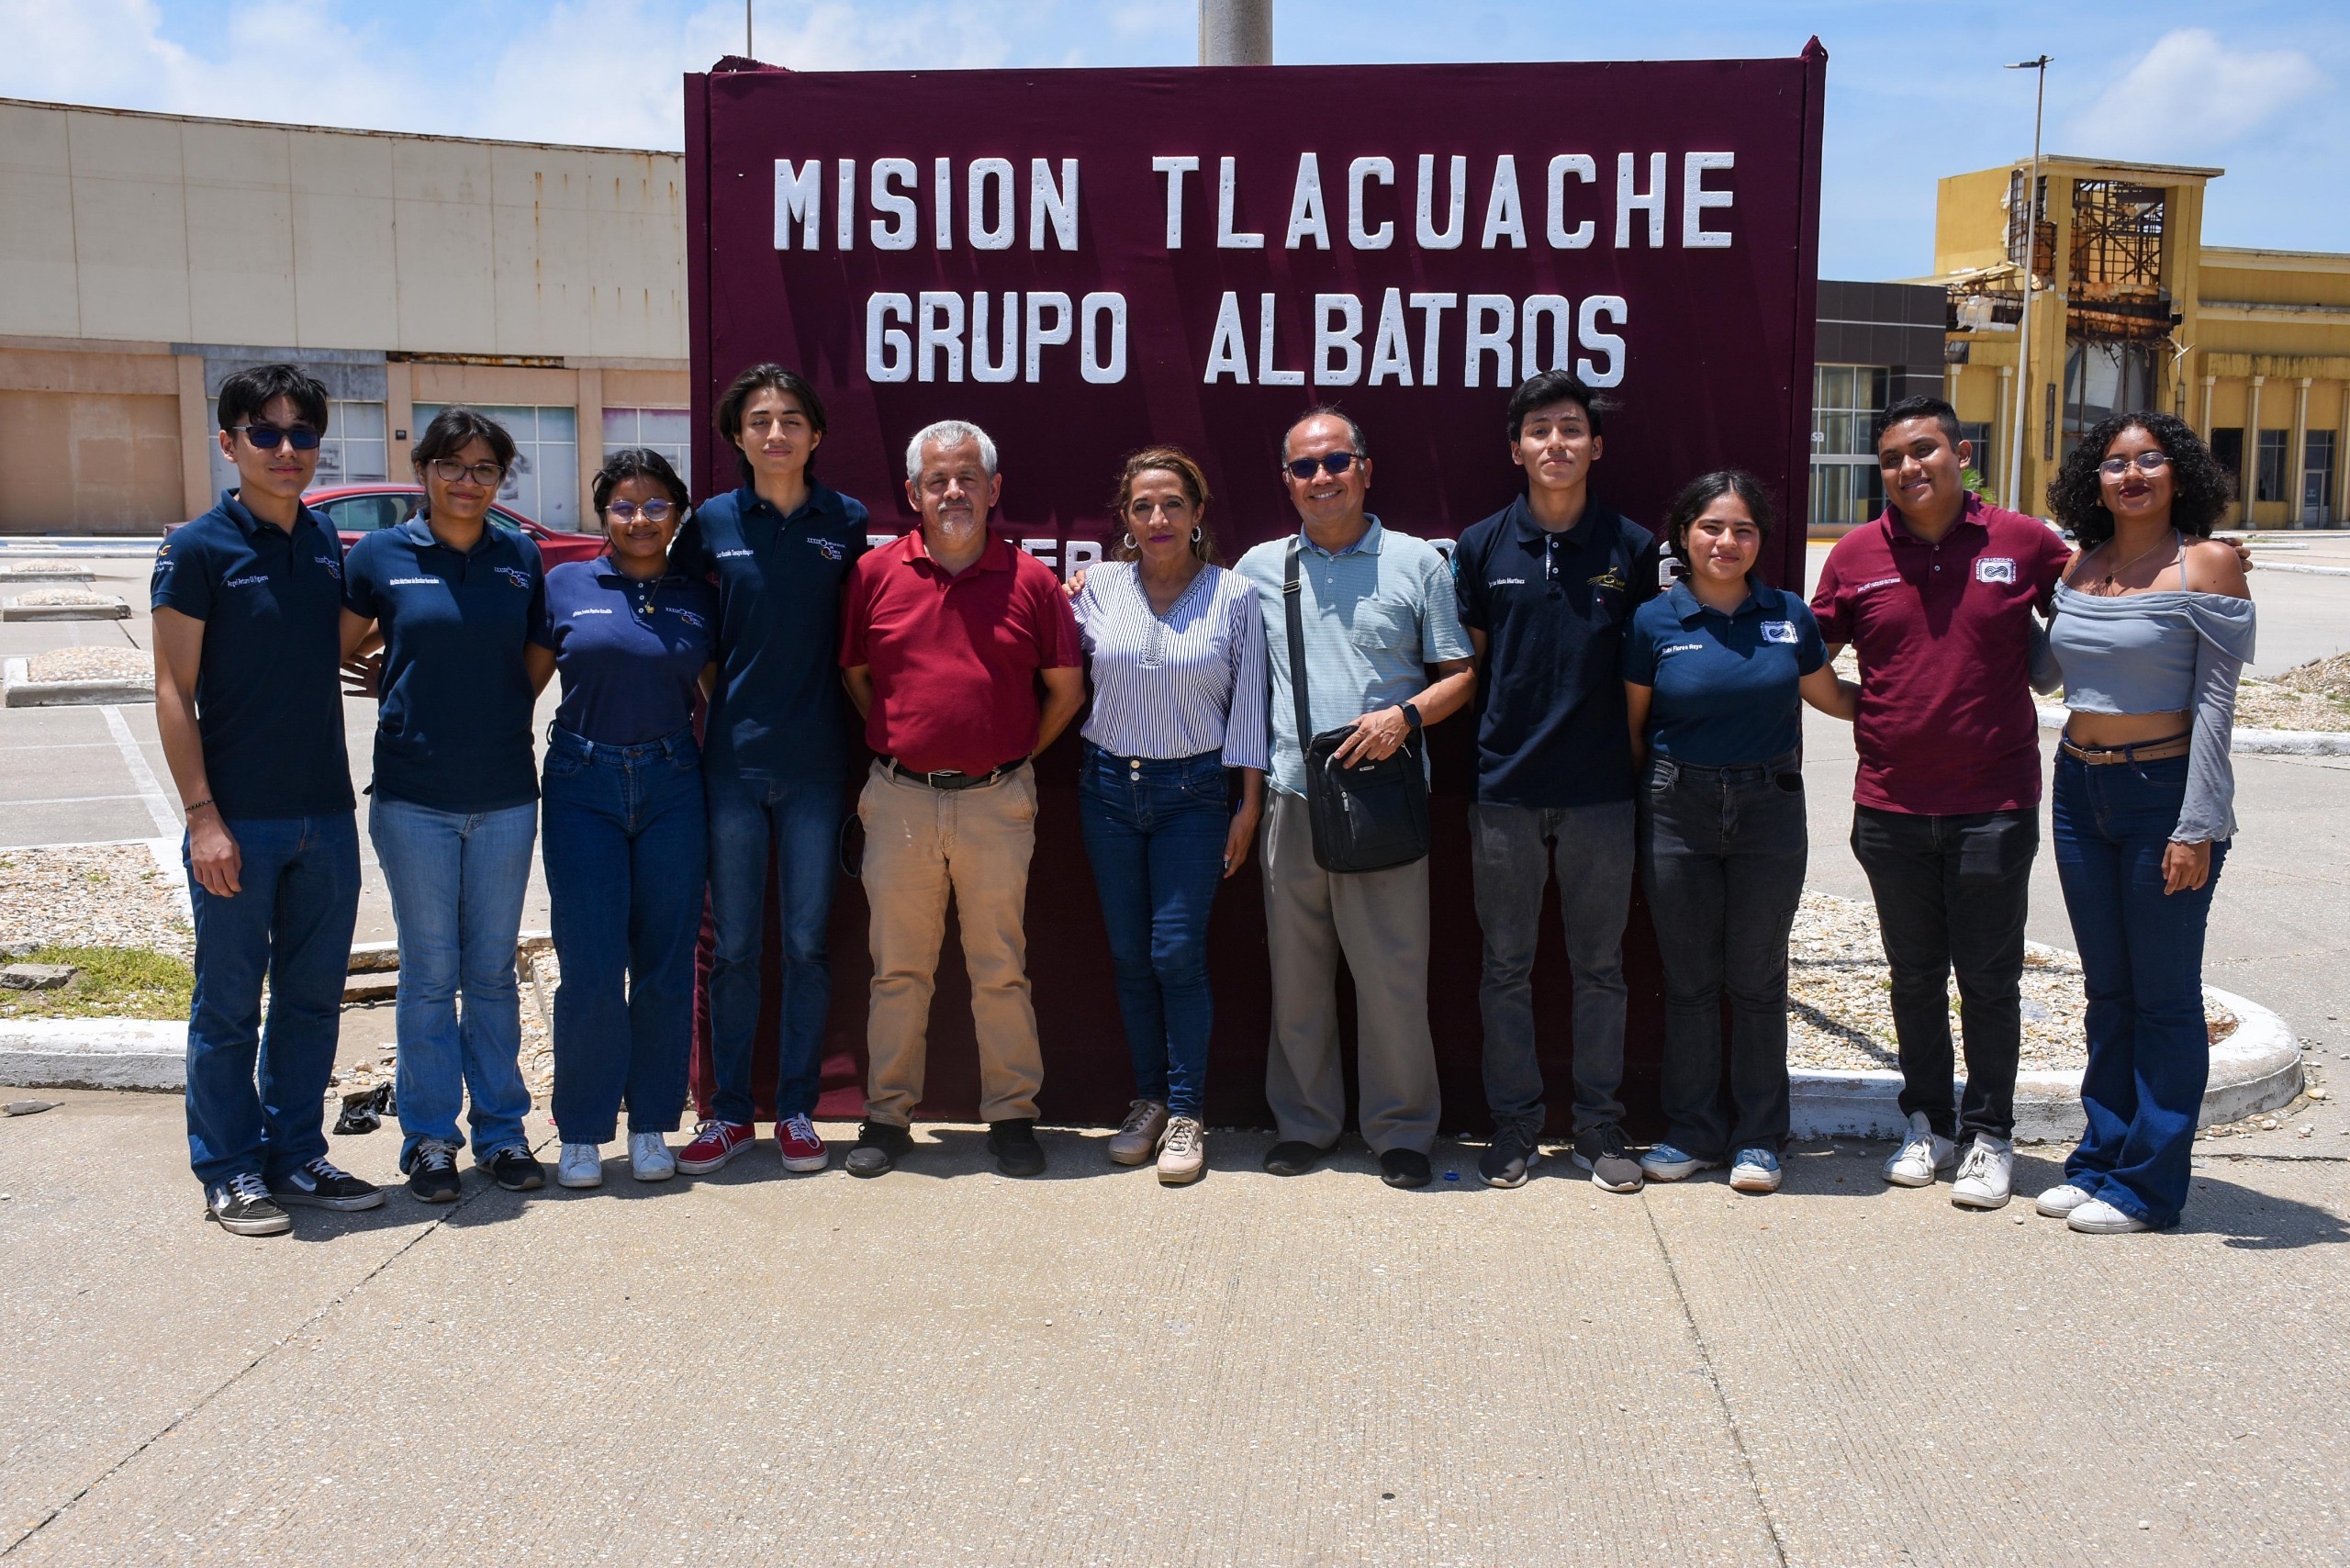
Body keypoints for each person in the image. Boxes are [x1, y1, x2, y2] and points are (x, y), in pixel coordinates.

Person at [1809, 395, 2073, 1210]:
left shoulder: (2022, 542)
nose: (1907, 468)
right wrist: (1867, 711)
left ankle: (1991, 1135)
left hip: (1993, 803)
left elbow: (2098, 597)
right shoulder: (1855, 555)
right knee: (1913, 977)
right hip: (1889, 807)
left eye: (1924, 451)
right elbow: (1809, 658)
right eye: (1891, 458)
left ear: (1961, 453)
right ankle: (1927, 1123)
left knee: (1989, 979)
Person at [151, 364, 380, 1236]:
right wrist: (202, 816)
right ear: (229, 443)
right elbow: (173, 688)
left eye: (303, 435)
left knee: (314, 999)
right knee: (228, 1004)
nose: (287, 451)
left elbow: (329, 643)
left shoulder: (325, 542)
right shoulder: (199, 548)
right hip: (238, 818)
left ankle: (296, 1156)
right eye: (266, 434)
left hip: (325, 813)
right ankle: (229, 1170)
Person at [1234, 406, 1476, 1191]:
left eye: (1336, 462)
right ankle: (1305, 1124)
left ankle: (1401, 1132)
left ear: (1365, 469)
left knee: (1393, 977)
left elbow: (1460, 674)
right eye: (1304, 467)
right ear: (1286, 482)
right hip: (1292, 798)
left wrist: (1406, 717)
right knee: (1296, 978)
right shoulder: (1258, 570)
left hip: (1383, 801)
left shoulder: (1417, 565)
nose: (1321, 478)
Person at [839, 420, 1085, 1178]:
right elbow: (857, 678)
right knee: (897, 970)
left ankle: (1012, 1116)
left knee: (999, 965)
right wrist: (911, 743)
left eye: (968, 478)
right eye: (938, 480)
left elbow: (1066, 691)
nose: (954, 492)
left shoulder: (1033, 582)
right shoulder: (874, 574)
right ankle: (886, 1118)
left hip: (995, 803)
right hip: (900, 800)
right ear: (913, 493)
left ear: (994, 489)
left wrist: (1007, 759)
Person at [2034, 414, 2252, 1234]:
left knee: (2163, 999)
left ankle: (2148, 1187)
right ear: (2094, 479)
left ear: (2179, 473)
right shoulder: (2083, 568)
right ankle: (2100, 1160)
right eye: (2116, 463)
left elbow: (2217, 706)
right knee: (2109, 992)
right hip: (2079, 792)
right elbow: (2049, 673)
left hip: (2165, 794)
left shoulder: (2210, 564)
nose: (2133, 475)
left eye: (2150, 460)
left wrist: (2198, 823)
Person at [1450, 370, 1665, 1193]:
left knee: (1600, 968)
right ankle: (1513, 1128)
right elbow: (1465, 666)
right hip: (1503, 788)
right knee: (1505, 966)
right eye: (1539, 431)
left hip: (1601, 793)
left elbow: (1645, 673)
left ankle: (1599, 1129)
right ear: (1516, 448)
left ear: (1595, 445)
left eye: (1571, 429)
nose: (1556, 444)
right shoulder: (1479, 545)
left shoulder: (1634, 548)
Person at [341, 406, 556, 1203]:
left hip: (503, 795)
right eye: (452, 467)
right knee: (430, 973)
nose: (468, 483)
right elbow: (337, 643)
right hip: (414, 797)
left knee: (492, 974)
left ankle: (502, 1133)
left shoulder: (520, 560)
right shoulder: (381, 554)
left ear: (501, 481)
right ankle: (431, 1140)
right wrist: (389, 668)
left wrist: (489, 704)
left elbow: (533, 661)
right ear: (425, 471)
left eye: (485, 470)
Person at [1623, 473, 1856, 1196]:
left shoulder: (1789, 615)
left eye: (1744, 530)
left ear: (1761, 539)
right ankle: (1693, 1132)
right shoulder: (1653, 623)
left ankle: (1758, 1138)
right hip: (1676, 810)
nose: (1728, 542)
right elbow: (1633, 731)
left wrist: (1926, 699)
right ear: (1684, 537)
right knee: (1690, 983)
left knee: (1758, 982)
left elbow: (1836, 700)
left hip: (1769, 810)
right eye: (1713, 528)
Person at [667, 364, 871, 1179]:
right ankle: (727, 1117)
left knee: (808, 945)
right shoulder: (711, 522)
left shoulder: (845, 520)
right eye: (759, 420)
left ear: (816, 435)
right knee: (737, 948)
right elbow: (688, 633)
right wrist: (733, 701)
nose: (776, 432)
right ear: (737, 436)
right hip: (734, 768)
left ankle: (796, 1110)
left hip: (821, 764)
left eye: (792, 419)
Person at [1070, 447, 1270, 1185]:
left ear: (1198, 513)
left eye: (1173, 505)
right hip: (1107, 790)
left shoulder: (1233, 595)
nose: (1159, 519)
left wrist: (1248, 804)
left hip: (1194, 794)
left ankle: (1188, 1112)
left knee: (1175, 954)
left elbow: (1250, 704)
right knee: (1128, 957)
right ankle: (1148, 1101)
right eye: (1143, 506)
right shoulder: (1097, 589)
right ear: (1125, 517)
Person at [541, 449, 717, 1190]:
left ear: (678, 516)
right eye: (623, 505)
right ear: (602, 512)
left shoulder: (699, 596)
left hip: (673, 780)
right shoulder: (562, 586)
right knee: (588, 967)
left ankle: (651, 1126)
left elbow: (719, 692)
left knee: (666, 966)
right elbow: (512, 682)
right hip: (583, 783)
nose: (640, 519)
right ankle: (581, 1131)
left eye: (655, 506)